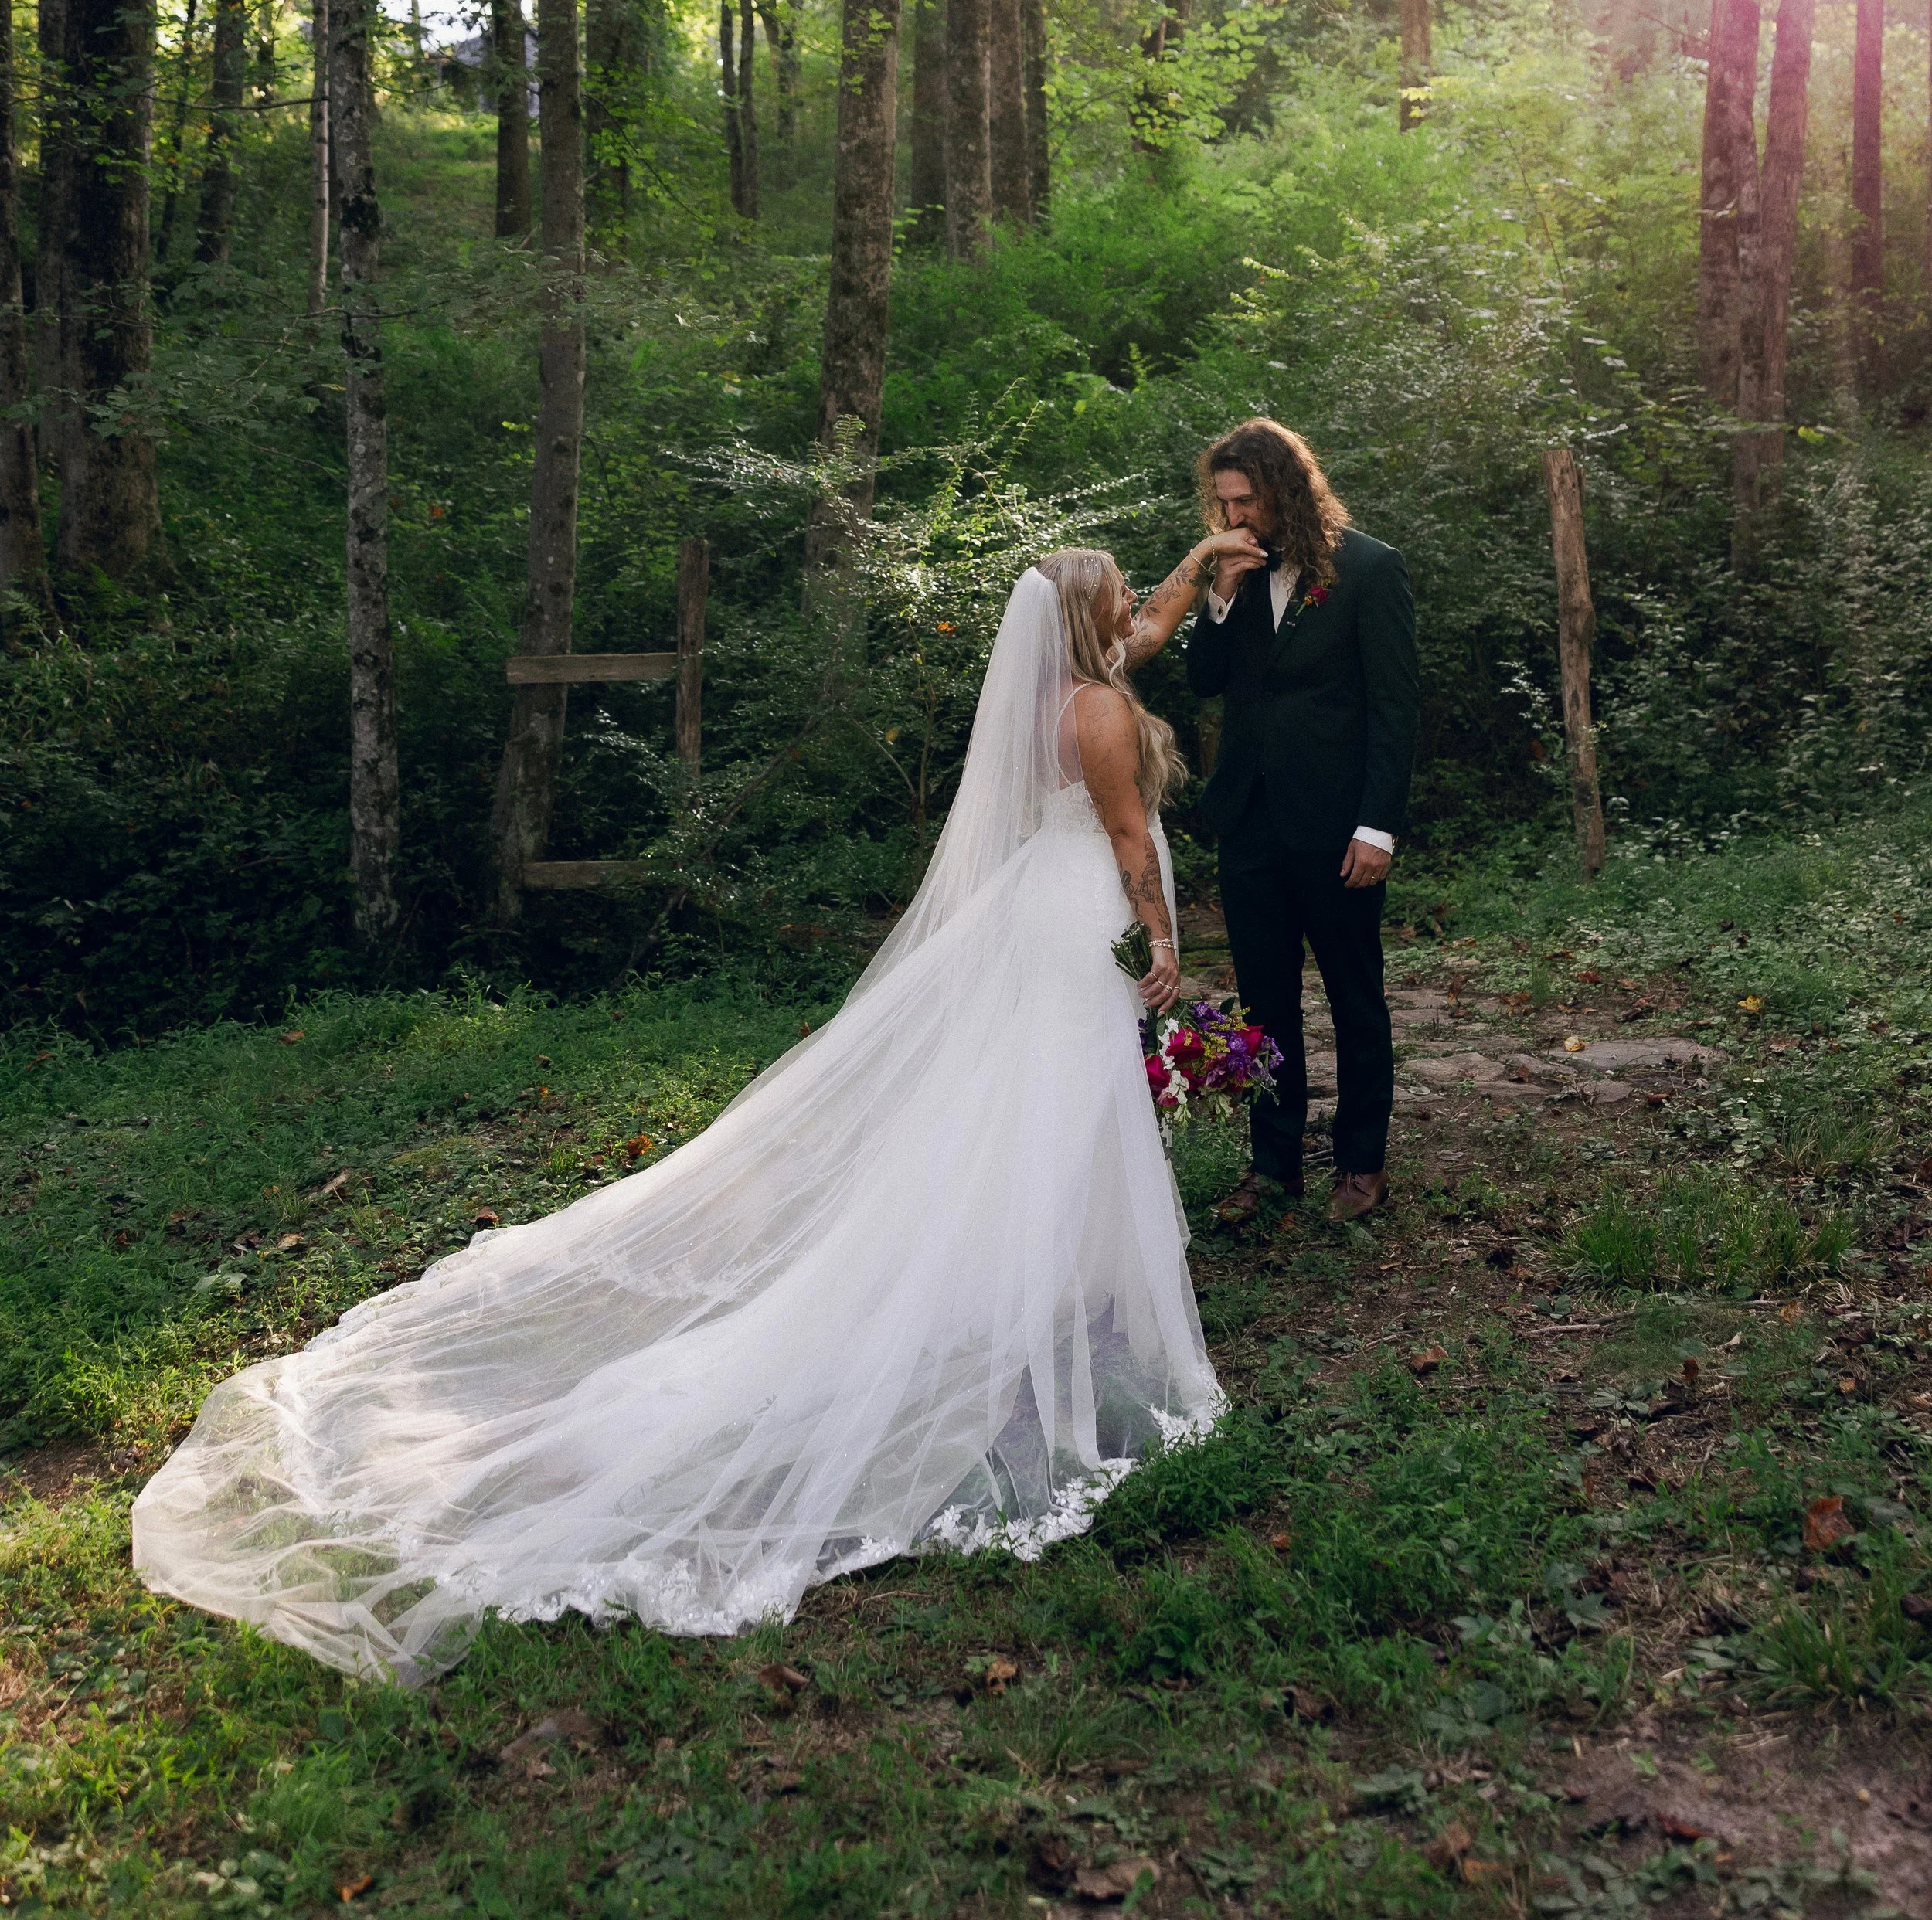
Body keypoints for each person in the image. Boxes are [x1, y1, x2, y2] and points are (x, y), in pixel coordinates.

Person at [131, 552, 1224, 1685]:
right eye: (1119, 588)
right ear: (1086, 612)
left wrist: (1197, 567)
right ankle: (1030, 1303)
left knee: (1032, 1103)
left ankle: (1048, 1285)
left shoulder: (1053, 695)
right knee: (1062, 1101)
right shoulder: (1099, 709)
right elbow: (1128, 835)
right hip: (1081, 913)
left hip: (1040, 910)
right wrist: (1162, 940)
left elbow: (1141, 639)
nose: (1131, 600)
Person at [1182, 418, 1418, 1225]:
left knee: (1356, 998)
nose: (1234, 516)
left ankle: (1361, 1163)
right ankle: (1273, 1167)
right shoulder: (1237, 570)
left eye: (1245, 500)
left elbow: (1395, 709)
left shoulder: (1371, 569)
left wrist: (1377, 825)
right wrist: (1218, 595)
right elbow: (1204, 680)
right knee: (1263, 1004)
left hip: (1337, 829)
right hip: (1249, 824)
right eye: (1224, 502)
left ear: (1285, 487)